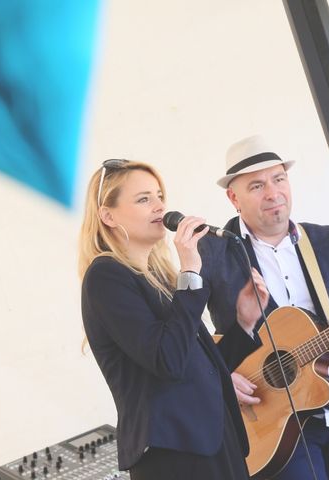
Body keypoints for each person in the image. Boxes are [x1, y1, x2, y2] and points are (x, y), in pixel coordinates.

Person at [199, 135, 329, 480]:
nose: (273, 193)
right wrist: (221, 377)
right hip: (273, 422)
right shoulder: (213, 253)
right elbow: (185, 337)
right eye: (256, 185)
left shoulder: (326, 241)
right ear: (233, 197)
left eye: (279, 179)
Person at [79, 158, 270, 480]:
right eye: (143, 199)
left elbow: (203, 368)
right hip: (176, 454)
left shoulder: (162, 277)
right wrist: (191, 273)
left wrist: (244, 322)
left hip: (215, 441)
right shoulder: (106, 275)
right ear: (107, 215)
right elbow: (166, 360)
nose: (159, 206)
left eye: (159, 195)